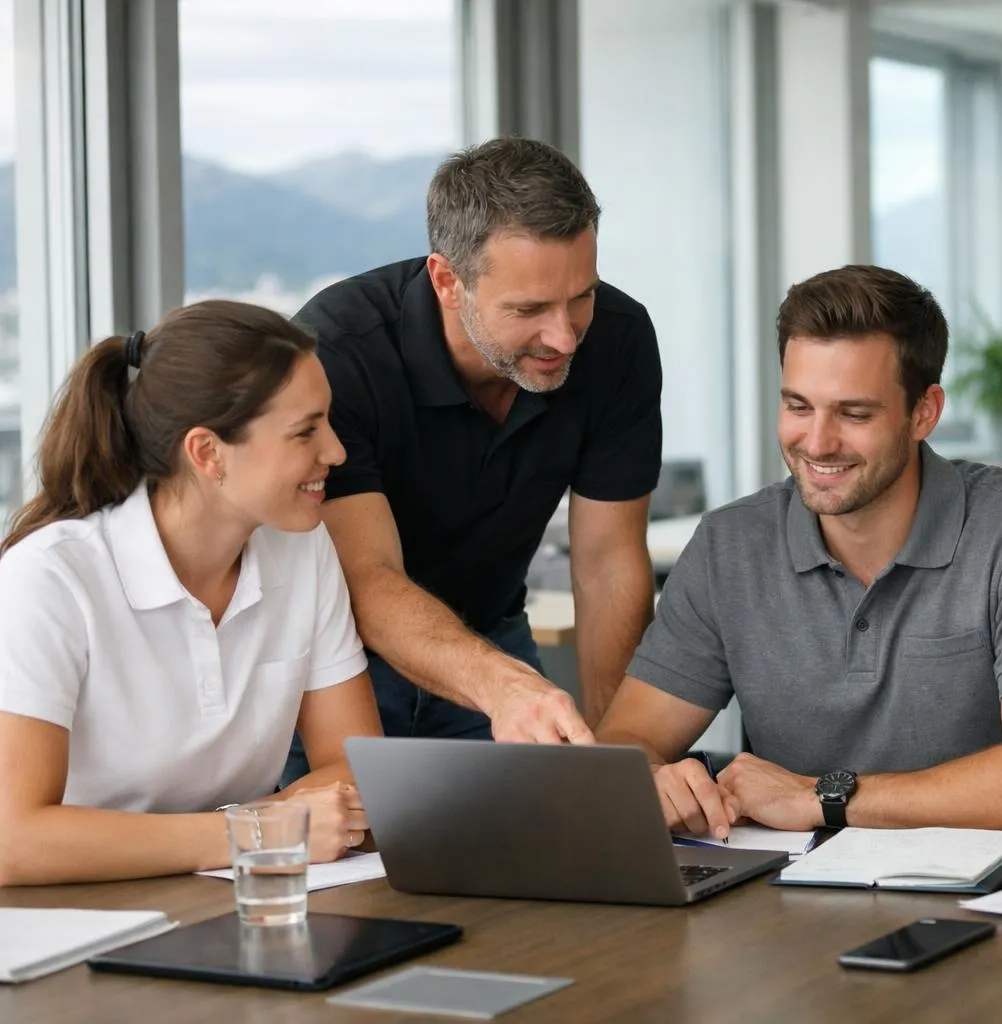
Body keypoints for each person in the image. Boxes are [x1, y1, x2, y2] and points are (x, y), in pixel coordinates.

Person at [596, 265, 1002, 839]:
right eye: (798, 406)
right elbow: (625, 741)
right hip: (802, 904)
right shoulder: (729, 547)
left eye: (854, 414)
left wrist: (822, 797)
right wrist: (657, 781)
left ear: (924, 412)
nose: (817, 443)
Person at [285, 136, 661, 774]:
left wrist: (622, 761)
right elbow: (368, 578)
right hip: (335, 666)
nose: (564, 336)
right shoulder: (341, 351)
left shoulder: (618, 339)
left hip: (494, 639)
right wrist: (502, 688)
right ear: (446, 281)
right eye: (529, 309)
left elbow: (608, 565)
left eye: (582, 296)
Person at [0, 302, 384, 886]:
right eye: (306, 431)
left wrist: (252, 830)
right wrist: (255, 830)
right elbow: (12, 839)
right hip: (74, 919)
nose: (336, 452)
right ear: (207, 453)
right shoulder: (50, 579)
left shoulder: (303, 549)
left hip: (231, 898)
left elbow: (356, 768)